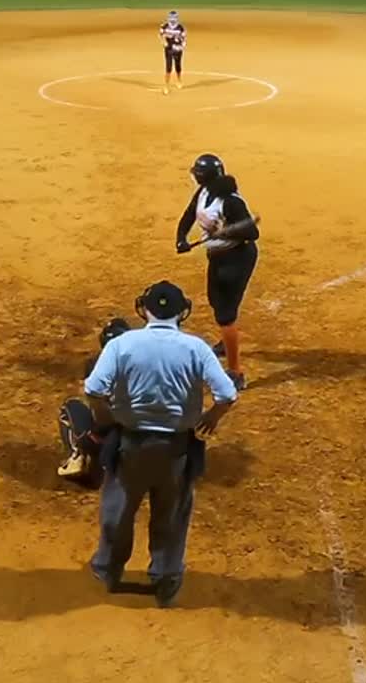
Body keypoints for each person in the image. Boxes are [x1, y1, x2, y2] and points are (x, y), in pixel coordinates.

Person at [83, 280, 239, 607]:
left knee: (118, 510)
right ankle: (166, 579)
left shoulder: (122, 344)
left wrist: (107, 417)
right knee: (170, 514)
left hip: (130, 446)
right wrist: (212, 417)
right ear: (182, 313)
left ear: (145, 309)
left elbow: (93, 390)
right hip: (176, 450)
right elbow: (228, 394)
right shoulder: (196, 348)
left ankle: (108, 570)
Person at [175, 154, 260, 384]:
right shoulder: (204, 193)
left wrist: (227, 231)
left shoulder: (231, 202)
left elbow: (252, 233)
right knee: (215, 301)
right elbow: (189, 214)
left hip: (238, 257)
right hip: (218, 256)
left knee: (225, 315)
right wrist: (181, 238)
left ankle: (236, 372)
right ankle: (227, 339)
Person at [58, 317, 134, 486]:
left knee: (71, 407)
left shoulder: (94, 364)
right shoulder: (145, 363)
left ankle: (77, 457)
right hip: (149, 438)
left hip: (111, 440)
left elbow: (97, 407)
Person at [159, 10, 187, 93]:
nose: (172, 19)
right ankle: (166, 86)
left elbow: (184, 39)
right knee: (168, 67)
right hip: (168, 49)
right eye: (171, 17)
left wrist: (181, 46)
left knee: (178, 65)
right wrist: (164, 42)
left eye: (174, 18)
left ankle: (179, 80)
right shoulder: (164, 26)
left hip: (177, 49)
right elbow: (160, 35)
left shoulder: (181, 28)